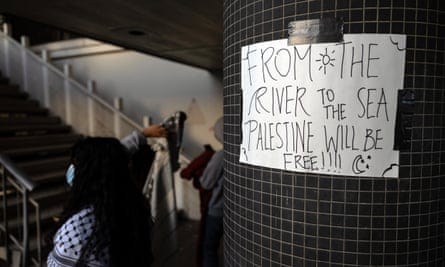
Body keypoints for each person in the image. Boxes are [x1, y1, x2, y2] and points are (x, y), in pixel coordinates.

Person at [47, 125, 166, 267]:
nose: (71, 169)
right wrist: (143, 134)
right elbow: (109, 160)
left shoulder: (77, 229)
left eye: (76, 163)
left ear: (88, 173)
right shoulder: (133, 211)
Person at [200, 117, 224, 267]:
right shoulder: (248, 153)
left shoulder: (220, 156)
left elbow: (206, 183)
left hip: (217, 211)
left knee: (209, 249)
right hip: (240, 212)